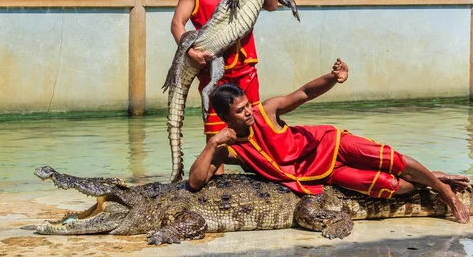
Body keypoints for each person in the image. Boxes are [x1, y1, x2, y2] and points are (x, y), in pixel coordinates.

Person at [188, 58, 471, 223]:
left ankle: (444, 191)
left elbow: (304, 94)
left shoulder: (267, 109)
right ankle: (435, 177)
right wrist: (212, 144)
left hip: (328, 143)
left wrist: (333, 78)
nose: (249, 112)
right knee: (387, 186)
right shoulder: (230, 148)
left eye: (247, 105)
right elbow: (195, 182)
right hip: (323, 174)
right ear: (226, 117)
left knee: (390, 160)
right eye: (240, 111)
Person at [170, 0, 281, 168]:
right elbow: (177, 24)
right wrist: (191, 53)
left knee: (254, 132)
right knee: (217, 138)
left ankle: (258, 178)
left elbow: (271, 5)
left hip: (245, 67)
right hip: (214, 70)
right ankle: (214, 183)